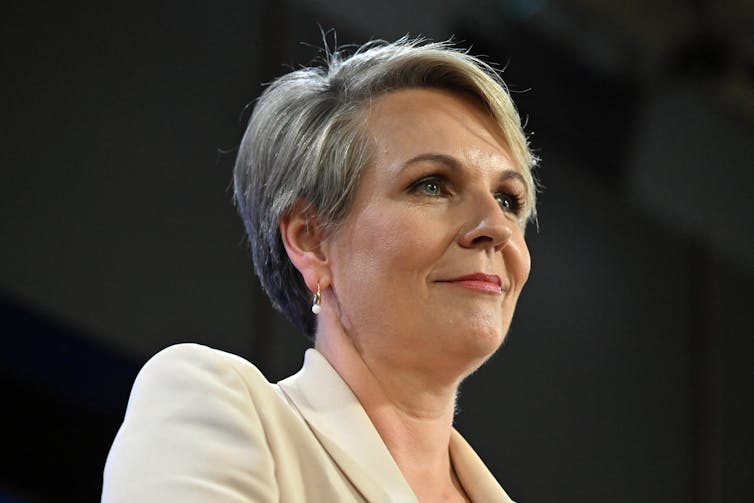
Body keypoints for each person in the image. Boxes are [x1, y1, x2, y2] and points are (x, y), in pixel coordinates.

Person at [102, 36, 538, 502]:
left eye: (508, 200)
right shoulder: (216, 407)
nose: (495, 227)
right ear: (311, 241)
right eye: (431, 185)